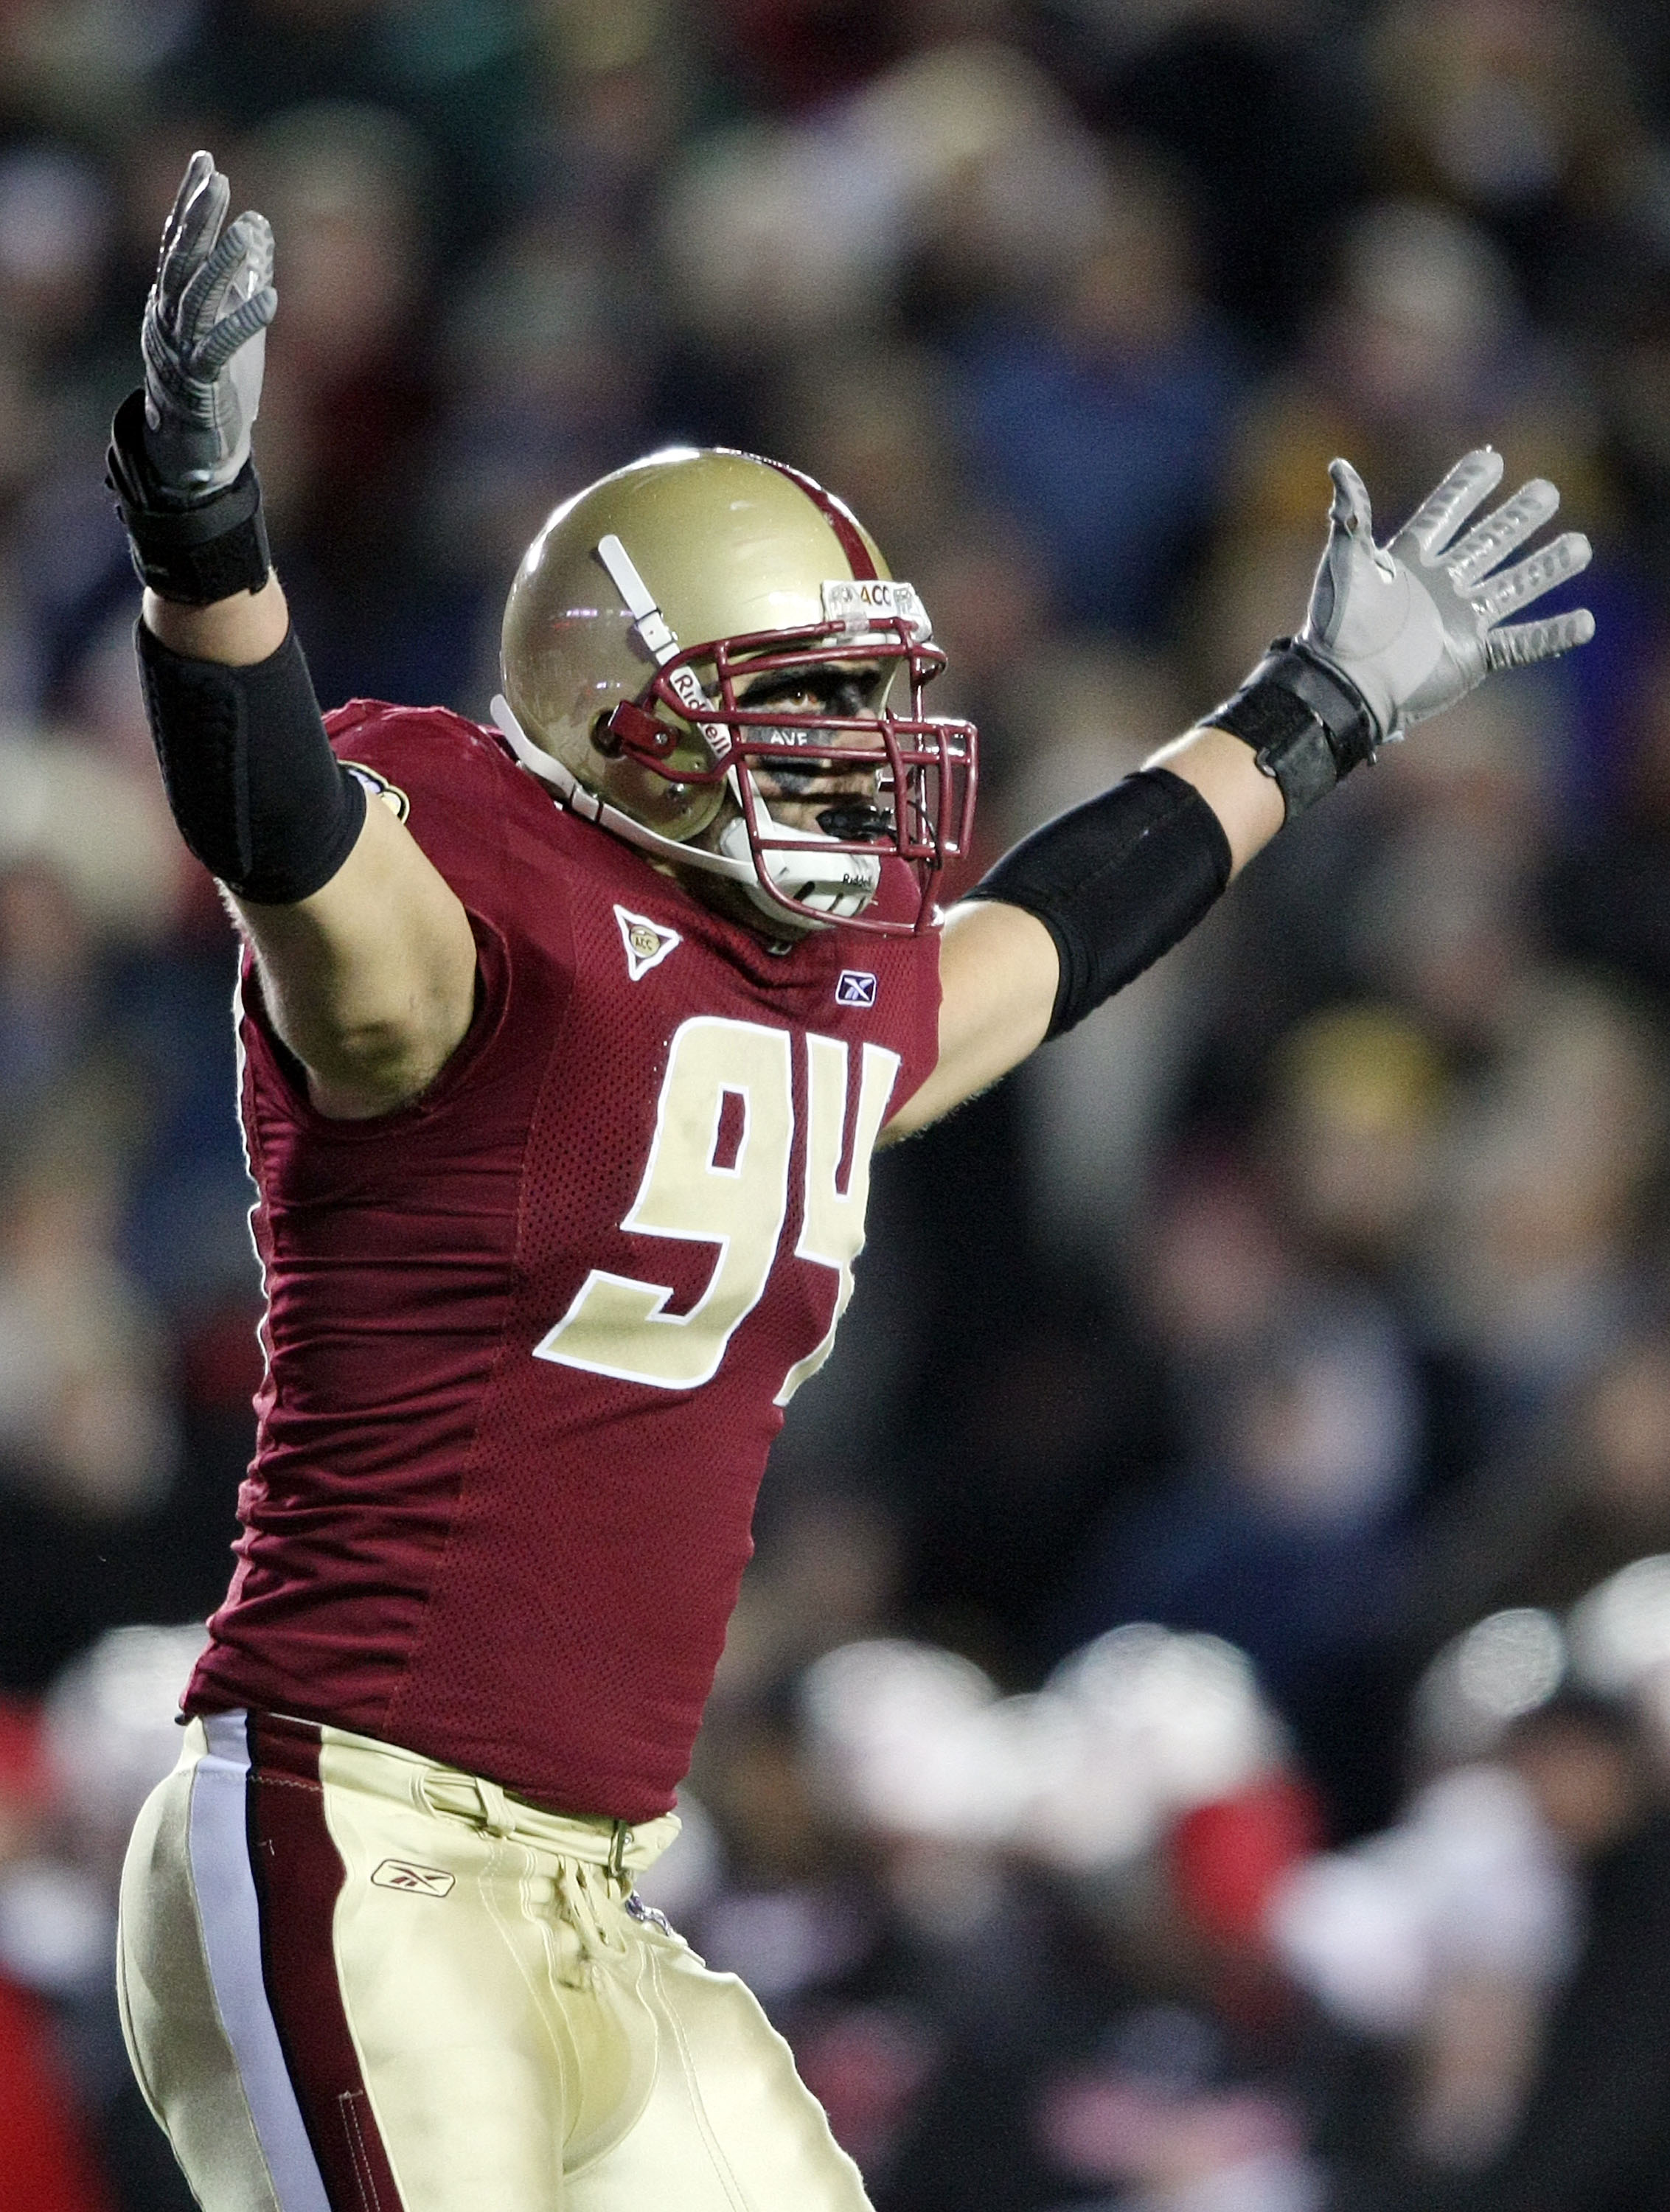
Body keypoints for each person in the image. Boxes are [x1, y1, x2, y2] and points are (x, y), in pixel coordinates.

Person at [108, 153, 1593, 2212]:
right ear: (618, 719)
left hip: (602, 1893)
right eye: (798, 707)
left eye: (868, 701)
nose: (854, 758)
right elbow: (279, 830)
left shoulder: (820, 1003)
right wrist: (205, 544)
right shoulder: (470, 928)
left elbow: (1053, 941)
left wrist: (1311, 713)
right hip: (351, 1842)